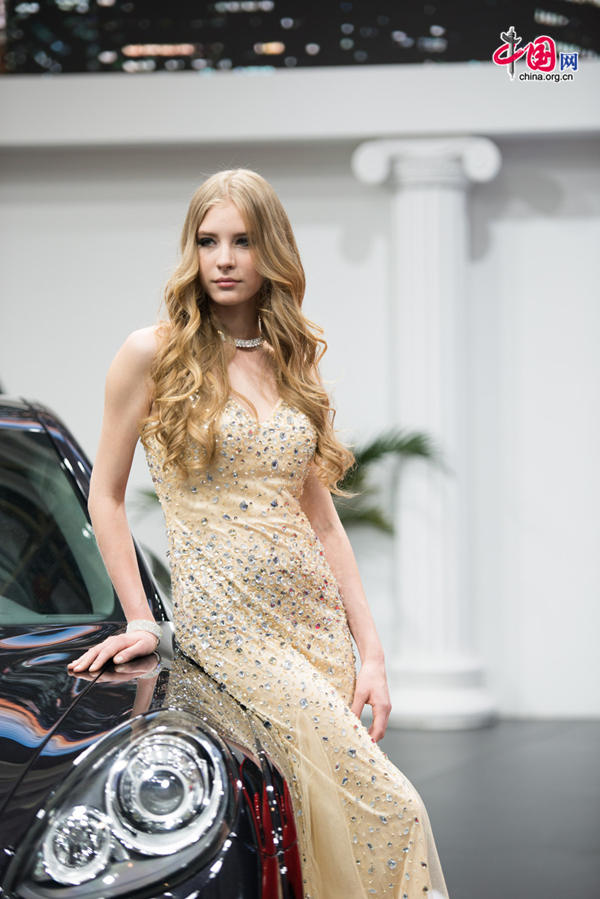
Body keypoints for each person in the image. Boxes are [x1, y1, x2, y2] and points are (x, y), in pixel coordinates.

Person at [67, 168, 449, 898]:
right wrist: (144, 618)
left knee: (314, 827)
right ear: (191, 250)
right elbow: (105, 497)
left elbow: (325, 523)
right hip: (230, 632)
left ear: (270, 249)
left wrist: (370, 652)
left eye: (242, 240)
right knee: (394, 809)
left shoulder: (291, 355)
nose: (224, 258)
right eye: (208, 241)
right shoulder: (153, 353)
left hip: (315, 629)